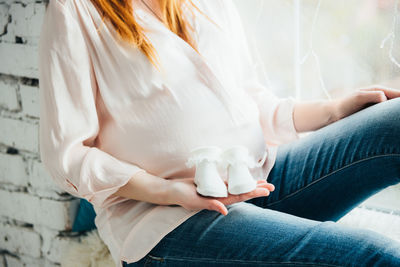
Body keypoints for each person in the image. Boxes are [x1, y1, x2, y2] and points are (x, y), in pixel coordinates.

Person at [38, 0, 400, 266]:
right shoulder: (76, 10)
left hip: (261, 176)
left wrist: (335, 109)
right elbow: (68, 155)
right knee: (376, 257)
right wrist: (170, 191)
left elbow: (251, 101)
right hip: (168, 219)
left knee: (394, 119)